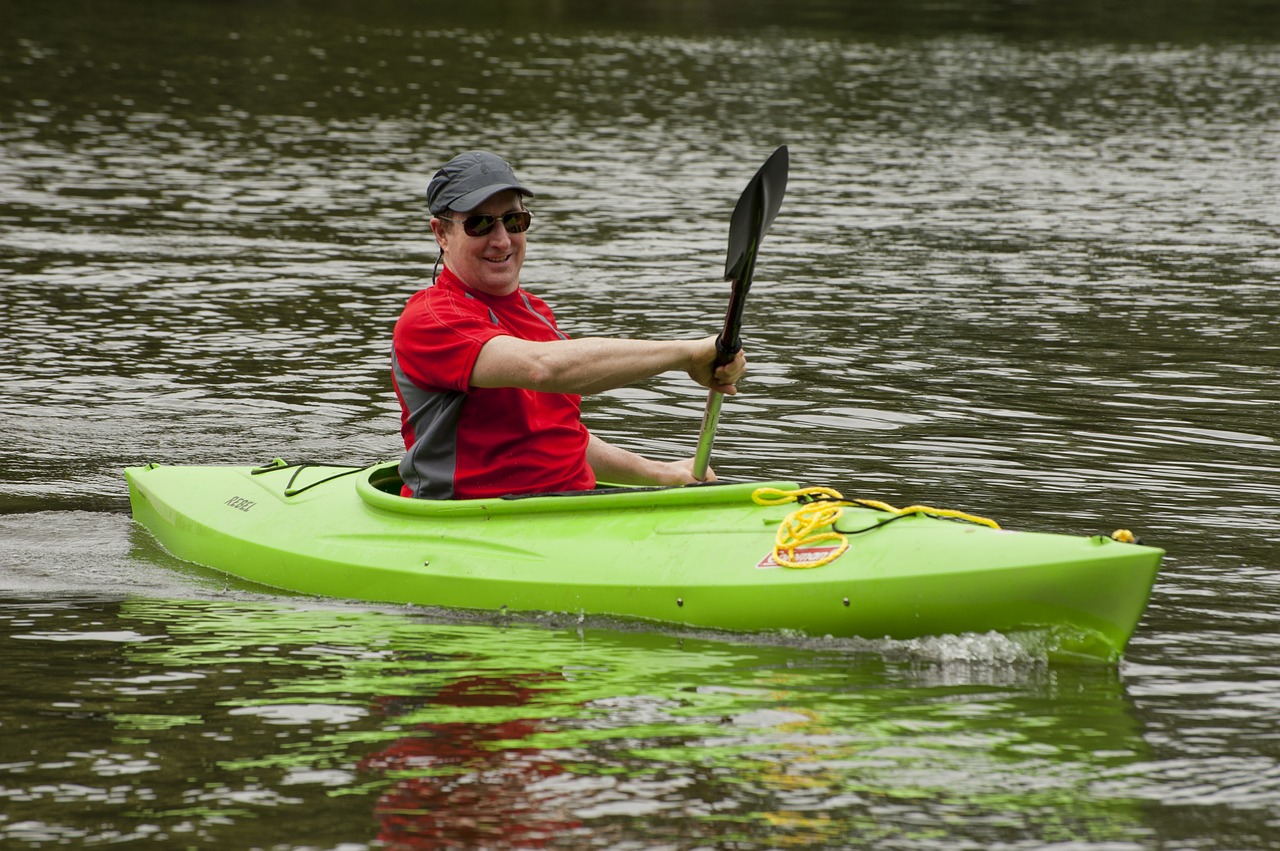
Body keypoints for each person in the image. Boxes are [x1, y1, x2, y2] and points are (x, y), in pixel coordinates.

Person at [391, 150, 747, 500]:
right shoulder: (430, 319)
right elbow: (542, 369)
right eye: (480, 223)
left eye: (514, 221)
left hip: (563, 508)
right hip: (473, 521)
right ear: (441, 233)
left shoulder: (536, 312)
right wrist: (687, 354)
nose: (501, 240)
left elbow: (558, 435)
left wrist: (661, 472)